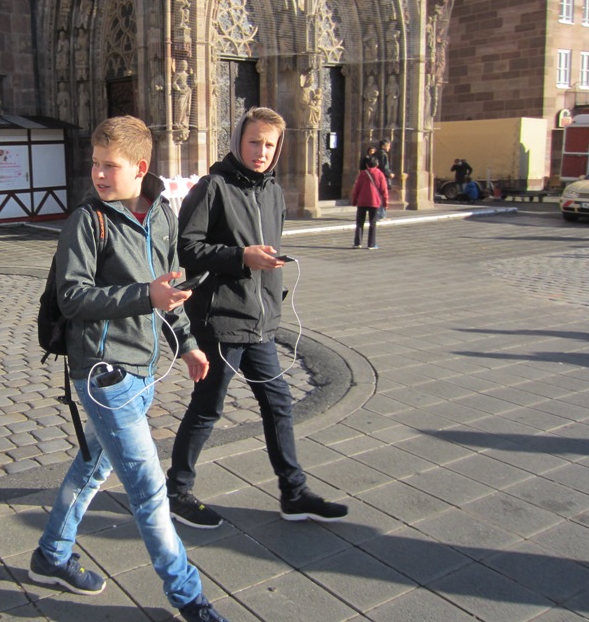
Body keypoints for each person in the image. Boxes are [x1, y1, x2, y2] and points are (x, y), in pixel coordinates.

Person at [29, 116, 230, 622]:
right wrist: (146, 295)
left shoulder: (161, 212)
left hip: (143, 368)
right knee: (148, 490)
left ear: (140, 167)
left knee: (92, 469)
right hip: (101, 375)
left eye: (108, 166)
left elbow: (170, 285)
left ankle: (50, 556)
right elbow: (72, 298)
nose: (97, 174)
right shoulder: (86, 220)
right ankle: (189, 597)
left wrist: (186, 343)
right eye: (94, 164)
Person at [166, 107, 349, 532]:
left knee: (278, 404)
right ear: (238, 141)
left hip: (260, 322)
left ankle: (293, 492)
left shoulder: (273, 192)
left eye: (269, 144)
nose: (261, 151)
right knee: (208, 407)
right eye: (254, 142)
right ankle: (178, 490)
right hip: (221, 321)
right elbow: (188, 249)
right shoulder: (213, 187)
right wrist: (239, 257)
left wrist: (268, 269)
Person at [351, 155, 389, 250]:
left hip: (362, 201)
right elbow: (384, 190)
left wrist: (354, 200)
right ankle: (371, 244)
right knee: (372, 223)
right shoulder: (380, 174)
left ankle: (357, 243)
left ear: (367, 165)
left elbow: (357, 188)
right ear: (377, 164)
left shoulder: (362, 174)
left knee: (359, 222)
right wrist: (385, 202)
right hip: (374, 201)